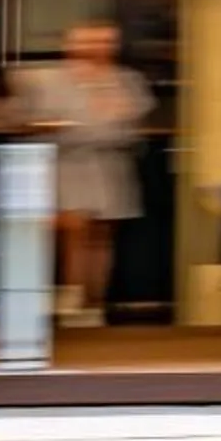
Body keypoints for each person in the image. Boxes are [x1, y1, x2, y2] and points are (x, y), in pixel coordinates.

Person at [12, 22, 154, 328]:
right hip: (66, 163)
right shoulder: (46, 78)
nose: (97, 48)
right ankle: (69, 301)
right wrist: (49, 125)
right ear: (70, 44)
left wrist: (113, 110)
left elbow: (133, 120)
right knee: (72, 233)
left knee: (101, 238)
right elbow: (26, 119)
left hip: (109, 164)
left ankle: (95, 303)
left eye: (105, 41)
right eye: (89, 41)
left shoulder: (127, 80)